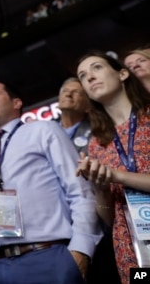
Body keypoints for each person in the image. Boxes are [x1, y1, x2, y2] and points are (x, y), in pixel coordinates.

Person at [0, 81, 102, 284]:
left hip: (49, 256)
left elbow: (79, 190)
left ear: (17, 102)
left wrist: (81, 249)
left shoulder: (44, 130)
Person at [76, 51, 150, 284]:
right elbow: (110, 219)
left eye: (97, 68)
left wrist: (116, 175)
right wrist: (100, 187)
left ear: (123, 73)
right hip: (132, 249)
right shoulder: (97, 144)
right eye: (82, 76)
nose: (89, 77)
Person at [55, 76, 120, 283]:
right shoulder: (46, 132)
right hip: (60, 224)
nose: (68, 93)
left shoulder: (99, 130)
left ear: (86, 104)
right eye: (65, 89)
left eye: (76, 92)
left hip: (97, 218)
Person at [56, 76, 93, 155]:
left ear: (88, 106)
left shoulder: (96, 131)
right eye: (65, 91)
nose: (68, 94)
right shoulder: (46, 130)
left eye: (76, 92)